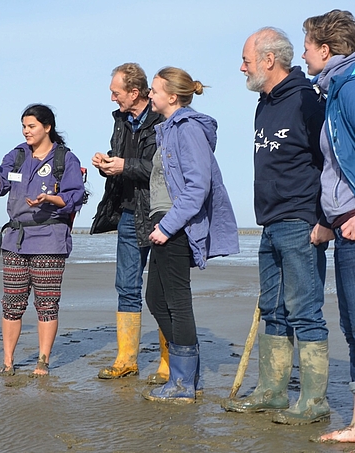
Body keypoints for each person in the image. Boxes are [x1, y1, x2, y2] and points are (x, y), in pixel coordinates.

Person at [222, 27, 329, 425]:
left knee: (305, 311)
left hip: (302, 221)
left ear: (269, 60)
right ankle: (273, 392)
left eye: (246, 60)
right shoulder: (263, 104)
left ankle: (315, 401)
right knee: (274, 310)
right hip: (269, 222)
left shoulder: (307, 99)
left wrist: (324, 220)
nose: (242, 67)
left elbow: (328, 161)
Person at [140, 67, 239, 404]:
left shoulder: (188, 129)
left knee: (177, 302)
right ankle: (189, 377)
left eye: (153, 90)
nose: (149, 95)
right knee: (155, 299)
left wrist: (167, 227)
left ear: (173, 96)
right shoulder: (166, 130)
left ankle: (183, 384)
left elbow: (199, 186)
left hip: (175, 224)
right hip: (164, 221)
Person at [0, 104, 86, 376]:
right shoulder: (16, 156)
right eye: (24, 126)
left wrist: (49, 198)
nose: (26, 131)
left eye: (32, 126)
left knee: (46, 303)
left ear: (47, 127)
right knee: (12, 302)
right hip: (16, 239)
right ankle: (8, 361)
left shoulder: (65, 159)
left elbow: (74, 197)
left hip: (50, 238)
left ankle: (43, 361)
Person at [90, 63, 167, 381]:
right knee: (127, 287)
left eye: (116, 92)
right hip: (126, 212)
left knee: (163, 291)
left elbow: (164, 168)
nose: (112, 98)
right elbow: (122, 158)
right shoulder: (120, 120)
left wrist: (125, 165)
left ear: (135, 93)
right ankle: (126, 359)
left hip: (161, 213)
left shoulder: (163, 117)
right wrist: (106, 163)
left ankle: (167, 362)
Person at [300, 10, 355, 441]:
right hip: (342, 222)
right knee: (351, 324)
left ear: (326, 49)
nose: (302, 55)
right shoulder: (334, 89)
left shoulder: (350, 88)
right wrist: (329, 219)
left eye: (306, 47)